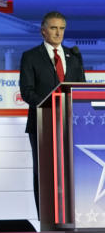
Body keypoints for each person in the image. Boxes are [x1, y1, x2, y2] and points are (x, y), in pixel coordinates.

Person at [19, 11, 85, 214]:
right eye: (54, 28)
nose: (59, 33)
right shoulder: (30, 56)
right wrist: (51, 105)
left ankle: (70, 214)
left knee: (70, 170)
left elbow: (80, 88)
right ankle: (45, 217)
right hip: (42, 123)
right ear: (43, 31)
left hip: (69, 124)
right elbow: (27, 92)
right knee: (44, 171)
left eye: (62, 28)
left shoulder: (73, 56)